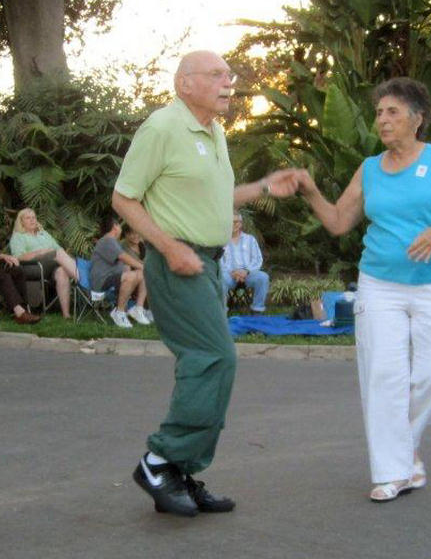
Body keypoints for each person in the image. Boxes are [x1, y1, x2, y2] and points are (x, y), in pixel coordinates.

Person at [112, 50, 300, 518]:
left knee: (212, 364)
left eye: (229, 75)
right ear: (185, 83)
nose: (228, 83)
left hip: (208, 263)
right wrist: (169, 247)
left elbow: (215, 198)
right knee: (212, 357)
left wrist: (261, 188)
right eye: (216, 75)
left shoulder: (213, 131)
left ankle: (178, 468)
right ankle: (158, 460)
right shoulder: (162, 128)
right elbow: (124, 197)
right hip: (179, 263)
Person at [297, 77, 431, 503]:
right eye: (379, 112)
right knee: (383, 376)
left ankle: (405, 445)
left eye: (392, 112)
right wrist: (310, 191)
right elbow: (339, 222)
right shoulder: (369, 169)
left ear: (416, 119)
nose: (382, 119)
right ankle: (393, 471)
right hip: (380, 285)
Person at [9, 208, 79, 319]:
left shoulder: (43, 234)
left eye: (34, 217)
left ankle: (66, 314)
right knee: (57, 253)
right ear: (21, 222)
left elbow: (59, 248)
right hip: (33, 266)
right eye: (28, 218)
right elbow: (18, 257)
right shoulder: (18, 237)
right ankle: (83, 280)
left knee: (62, 272)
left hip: (51, 264)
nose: (32, 220)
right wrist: (40, 252)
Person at [90, 216, 151, 327]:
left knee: (142, 274)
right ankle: (120, 312)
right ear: (115, 227)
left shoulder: (112, 242)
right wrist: (142, 267)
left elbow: (123, 263)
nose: (120, 228)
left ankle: (138, 308)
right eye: (119, 226)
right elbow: (123, 257)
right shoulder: (107, 240)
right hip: (103, 281)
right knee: (132, 276)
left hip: (113, 278)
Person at [220, 213, 269, 313]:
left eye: (236, 222)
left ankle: (257, 310)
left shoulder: (250, 239)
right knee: (221, 279)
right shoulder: (222, 240)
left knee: (263, 277)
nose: (233, 224)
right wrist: (233, 272)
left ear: (240, 223)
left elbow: (257, 259)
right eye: (230, 222)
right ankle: (222, 312)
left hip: (248, 274)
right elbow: (218, 261)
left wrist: (246, 271)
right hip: (229, 275)